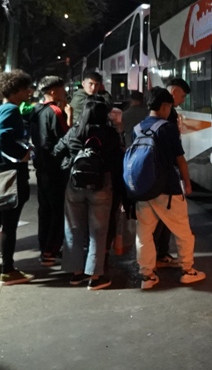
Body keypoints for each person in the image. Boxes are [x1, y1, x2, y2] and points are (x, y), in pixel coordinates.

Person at [134, 87, 205, 289]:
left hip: (144, 189)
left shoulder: (138, 128)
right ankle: (187, 270)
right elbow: (179, 159)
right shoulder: (167, 128)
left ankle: (146, 275)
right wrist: (187, 182)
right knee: (183, 232)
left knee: (144, 233)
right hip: (167, 189)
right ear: (165, 106)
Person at [56, 95, 123, 290]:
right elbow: (118, 157)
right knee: (98, 231)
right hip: (102, 184)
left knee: (74, 229)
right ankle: (95, 276)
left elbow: (56, 150)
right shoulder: (110, 133)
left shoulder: (75, 131)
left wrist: (70, 158)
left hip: (74, 184)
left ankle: (76, 274)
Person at [0, 70, 34, 285]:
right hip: (9, 174)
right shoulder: (12, 110)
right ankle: (8, 270)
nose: (29, 92)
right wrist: (20, 154)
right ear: (15, 90)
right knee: (9, 224)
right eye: (25, 88)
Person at [30, 76, 72, 267]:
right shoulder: (55, 111)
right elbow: (66, 138)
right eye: (62, 89)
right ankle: (51, 250)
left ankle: (43, 247)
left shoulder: (36, 110)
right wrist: (69, 116)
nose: (65, 92)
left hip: (41, 166)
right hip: (55, 167)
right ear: (53, 92)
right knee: (57, 210)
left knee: (45, 209)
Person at [152, 78, 192, 268]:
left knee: (150, 222)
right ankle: (184, 266)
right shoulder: (167, 118)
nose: (183, 100)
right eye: (182, 96)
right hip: (166, 175)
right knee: (173, 220)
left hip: (150, 176)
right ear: (174, 92)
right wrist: (186, 180)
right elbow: (178, 155)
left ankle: (153, 259)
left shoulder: (146, 119)